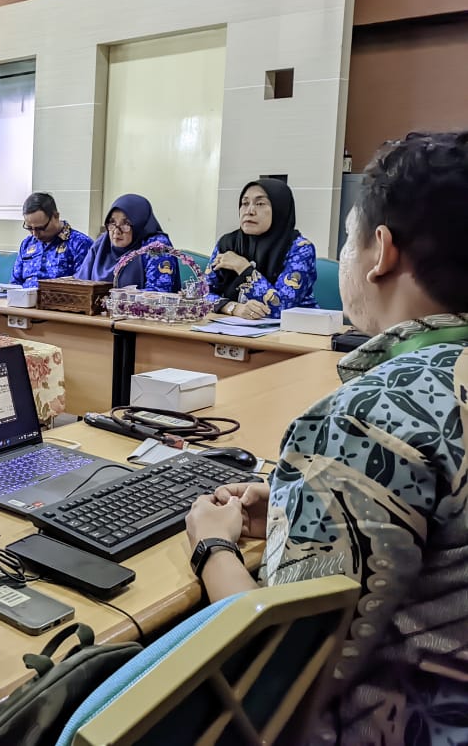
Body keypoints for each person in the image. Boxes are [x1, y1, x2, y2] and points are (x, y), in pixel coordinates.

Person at [184, 132, 468, 745]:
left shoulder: (365, 416)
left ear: (381, 251)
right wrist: (297, 510)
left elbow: (275, 662)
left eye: (350, 235)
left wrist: (213, 546)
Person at [206, 178, 318, 319]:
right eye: (245, 203)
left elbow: (281, 308)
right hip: (236, 331)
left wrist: (243, 268)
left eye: (260, 203)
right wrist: (233, 307)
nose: (249, 211)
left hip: (294, 334)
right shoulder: (228, 244)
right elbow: (200, 294)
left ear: (279, 209)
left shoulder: (300, 249)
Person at [74, 193, 178, 291]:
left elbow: (158, 295)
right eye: (112, 222)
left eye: (126, 223)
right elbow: (79, 286)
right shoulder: (102, 243)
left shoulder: (157, 246)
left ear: (139, 225)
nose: (116, 231)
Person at [11, 192, 93, 288]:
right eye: (29, 228)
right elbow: (14, 284)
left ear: (56, 216)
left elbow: (83, 289)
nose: (35, 234)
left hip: (60, 301)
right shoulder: (27, 244)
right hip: (23, 301)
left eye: (40, 228)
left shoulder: (80, 244)